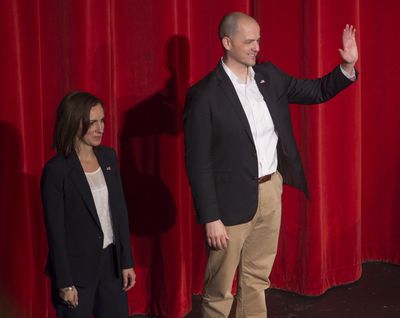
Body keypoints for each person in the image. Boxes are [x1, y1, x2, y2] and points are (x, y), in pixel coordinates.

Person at [183, 12, 358, 318]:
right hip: (229, 204)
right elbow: (198, 162)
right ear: (227, 42)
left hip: (270, 192)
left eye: (258, 40)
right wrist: (210, 216)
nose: (256, 47)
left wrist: (346, 66)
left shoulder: (270, 77)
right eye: (249, 41)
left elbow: (315, 91)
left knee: (256, 280)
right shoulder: (204, 95)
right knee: (220, 289)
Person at [41, 91, 135, 318]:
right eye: (92, 122)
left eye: (102, 121)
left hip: (111, 265)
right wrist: (65, 282)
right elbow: (56, 232)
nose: (100, 128)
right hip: (76, 273)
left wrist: (126, 261)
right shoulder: (56, 171)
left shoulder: (109, 158)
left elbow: (119, 212)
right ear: (74, 122)